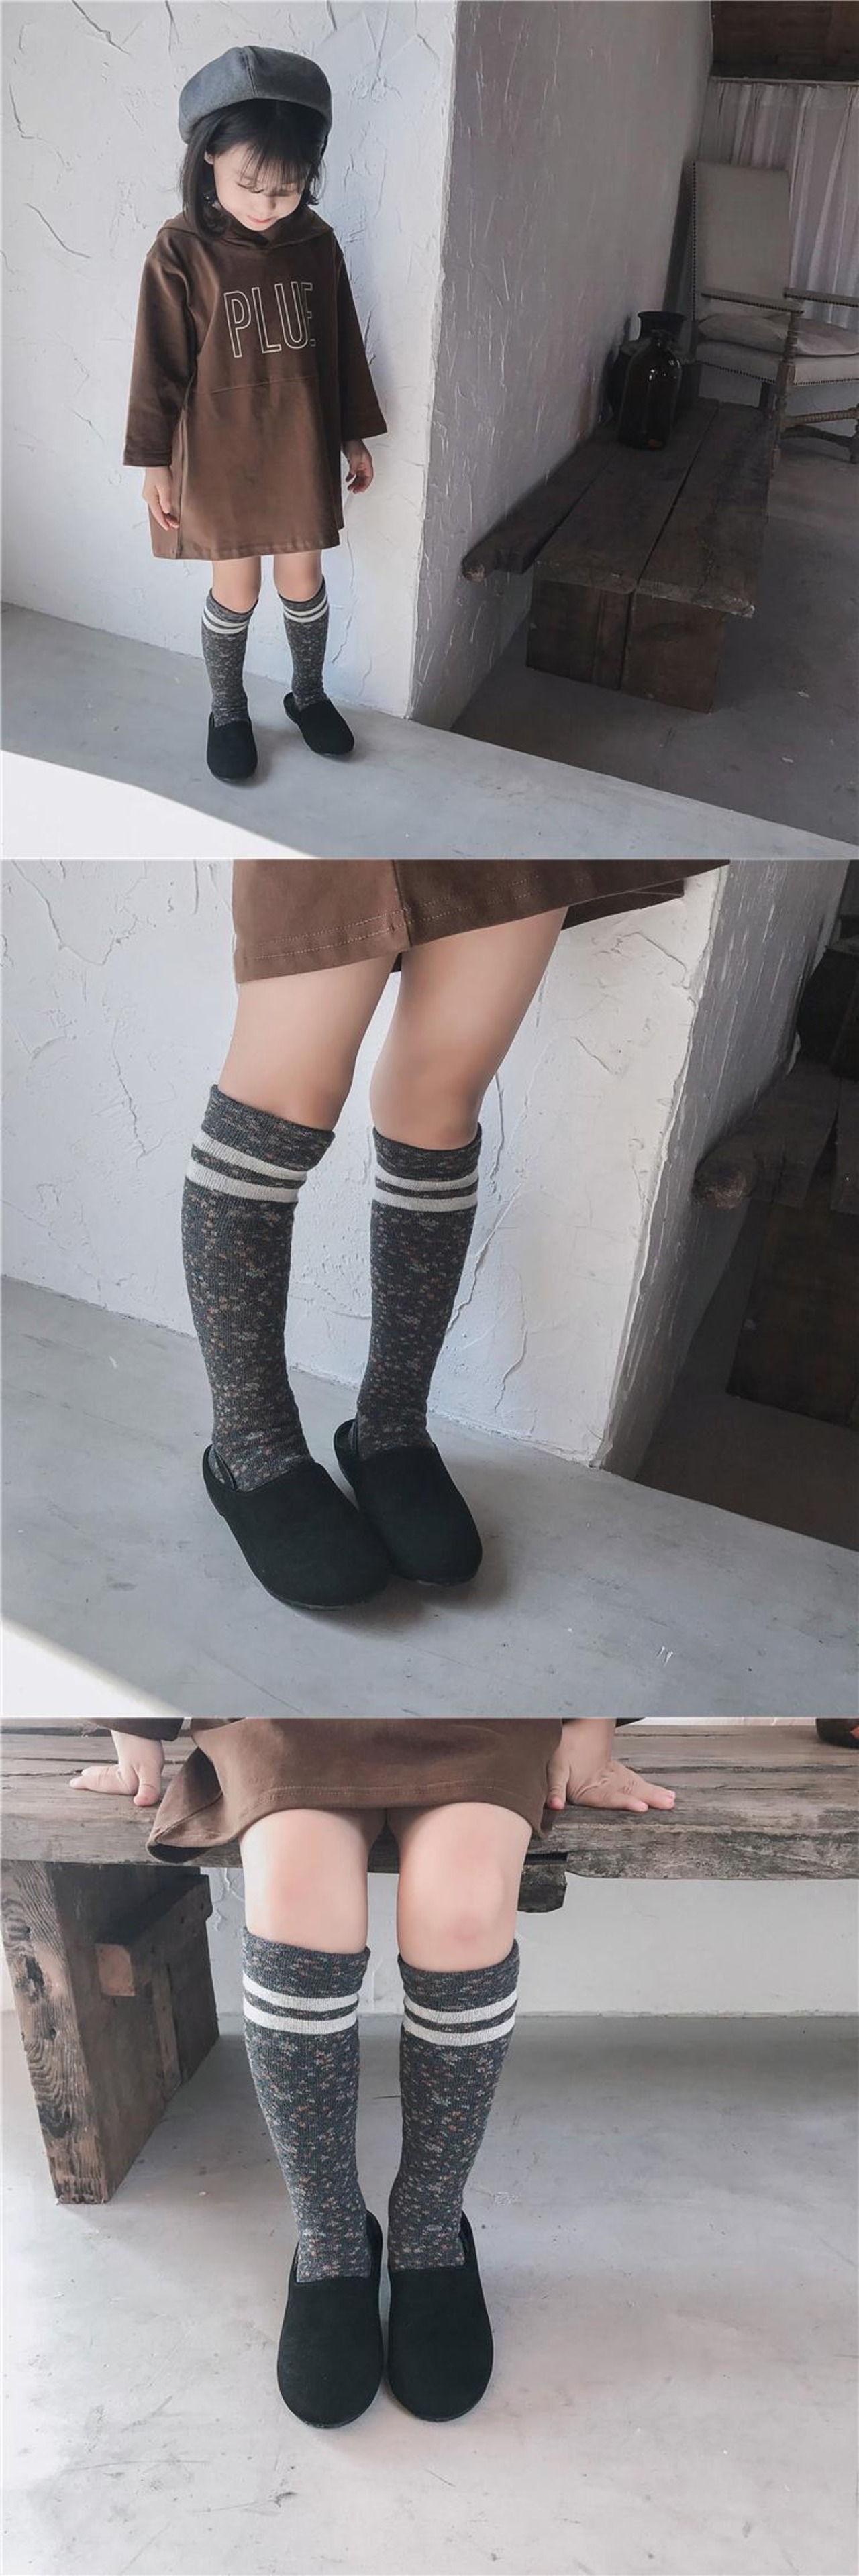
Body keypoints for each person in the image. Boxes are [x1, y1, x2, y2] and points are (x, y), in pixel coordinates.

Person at [72, 1715, 676, 2426]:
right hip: (289, 1709)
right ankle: (330, 2235)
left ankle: (428, 2224)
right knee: (295, 1901)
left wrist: (591, 1720)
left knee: (465, 1911)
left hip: (477, 1707)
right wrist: (136, 1724)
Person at [182, 859, 718, 1608]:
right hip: (345, 824)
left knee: (439, 1102)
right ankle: (250, 1446)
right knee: (276, 1108)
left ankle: (391, 1428)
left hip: (510, 822)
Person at [123, 47, 386, 781]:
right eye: (250, 185)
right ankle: (227, 709)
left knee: (302, 579)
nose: (267, 205)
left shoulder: (315, 243)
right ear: (209, 154)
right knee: (235, 588)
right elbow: (156, 365)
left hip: (299, 443)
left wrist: (352, 434)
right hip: (218, 453)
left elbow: (341, 345)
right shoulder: (180, 251)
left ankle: (308, 695)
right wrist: (153, 463)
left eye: (287, 188)